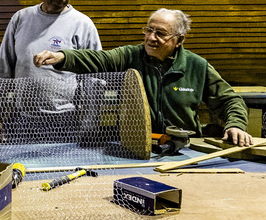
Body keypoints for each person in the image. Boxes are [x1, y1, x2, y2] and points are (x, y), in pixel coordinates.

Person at [33, 8, 253, 146]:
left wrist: (235, 125)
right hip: (137, 147)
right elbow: (99, 60)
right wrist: (62, 57)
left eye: (160, 33)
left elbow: (229, 100)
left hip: (184, 149)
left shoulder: (197, 67)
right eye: (149, 30)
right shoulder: (131, 56)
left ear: (179, 40)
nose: (151, 38)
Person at [0, 0, 101, 143]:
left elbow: (94, 81)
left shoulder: (83, 25)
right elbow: (2, 71)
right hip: (22, 122)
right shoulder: (21, 19)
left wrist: (89, 126)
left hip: (65, 123)